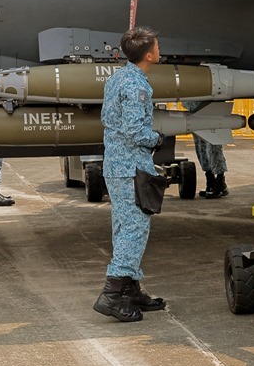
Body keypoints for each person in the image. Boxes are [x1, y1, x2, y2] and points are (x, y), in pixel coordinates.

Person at [93, 25, 167, 322]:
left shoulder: (116, 78)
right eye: (157, 47)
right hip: (131, 167)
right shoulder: (137, 86)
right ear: (149, 55)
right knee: (135, 229)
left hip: (116, 164)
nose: (160, 50)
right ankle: (112, 294)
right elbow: (135, 130)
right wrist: (158, 138)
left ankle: (131, 289)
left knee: (124, 227)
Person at [182, 100, 229, 199]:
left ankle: (219, 183)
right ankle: (211, 183)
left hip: (210, 110)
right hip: (195, 112)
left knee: (213, 147)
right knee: (201, 148)